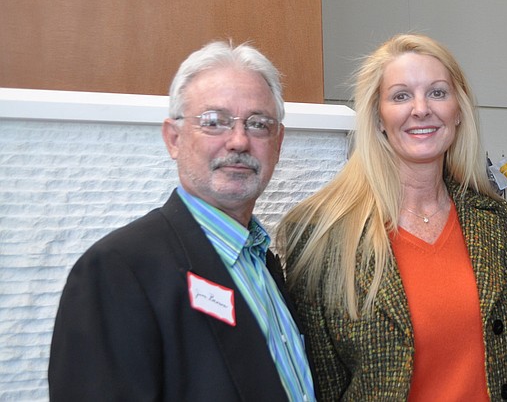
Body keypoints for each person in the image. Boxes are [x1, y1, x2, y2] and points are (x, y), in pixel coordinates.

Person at [48, 41, 315, 402]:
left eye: (257, 124)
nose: (238, 141)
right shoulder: (117, 271)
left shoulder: (264, 262)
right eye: (214, 122)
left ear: (278, 142)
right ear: (173, 139)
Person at [275, 33, 507, 401]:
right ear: (377, 116)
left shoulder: (496, 220)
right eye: (401, 95)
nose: (421, 109)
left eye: (437, 92)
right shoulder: (318, 236)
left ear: (458, 111)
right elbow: (320, 386)